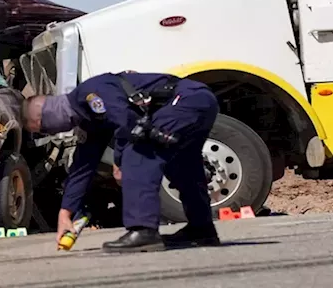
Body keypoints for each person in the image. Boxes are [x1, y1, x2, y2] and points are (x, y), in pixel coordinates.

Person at [21, 71, 221, 253]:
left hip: (186, 99)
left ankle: (143, 231)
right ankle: (201, 229)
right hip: (196, 102)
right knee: (183, 165)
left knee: (138, 152)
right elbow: (82, 168)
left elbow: (126, 118)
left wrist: (120, 160)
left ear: (43, 116)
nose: (49, 133)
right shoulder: (89, 120)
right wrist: (65, 213)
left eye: (42, 129)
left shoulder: (88, 93)